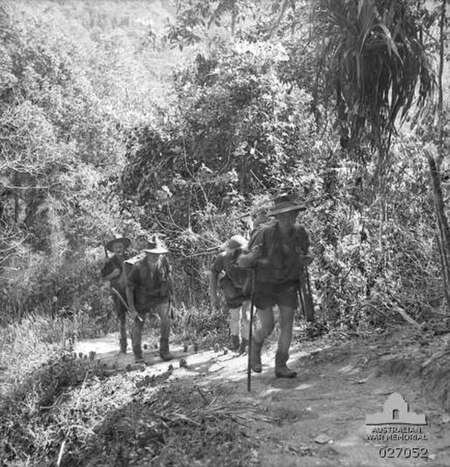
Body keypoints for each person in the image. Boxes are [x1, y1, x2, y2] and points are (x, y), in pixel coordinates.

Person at [238, 194, 314, 378]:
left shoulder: (300, 232)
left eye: (292, 215)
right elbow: (242, 261)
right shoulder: (264, 234)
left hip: (288, 282)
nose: (289, 219)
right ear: (277, 217)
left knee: (287, 322)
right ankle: (255, 349)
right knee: (268, 326)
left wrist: (308, 258)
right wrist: (252, 258)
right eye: (285, 215)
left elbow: (307, 251)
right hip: (264, 284)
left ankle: (281, 364)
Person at [126, 235, 175, 363]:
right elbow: (129, 289)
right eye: (153, 254)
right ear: (147, 254)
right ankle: (138, 354)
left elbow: (169, 277)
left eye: (158, 254)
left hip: (160, 296)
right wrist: (132, 309)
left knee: (167, 319)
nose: (156, 257)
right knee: (138, 324)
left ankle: (164, 350)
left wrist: (173, 294)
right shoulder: (138, 267)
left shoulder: (163, 261)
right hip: (143, 299)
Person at [209, 235, 251, 353]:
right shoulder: (223, 258)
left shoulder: (250, 256)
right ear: (232, 252)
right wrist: (214, 296)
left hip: (248, 289)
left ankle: (245, 345)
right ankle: (235, 342)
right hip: (232, 289)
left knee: (247, 317)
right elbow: (213, 273)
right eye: (238, 251)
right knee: (235, 317)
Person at [101, 235, 132, 354]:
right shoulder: (109, 262)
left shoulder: (130, 258)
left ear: (124, 247)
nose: (118, 248)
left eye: (120, 246)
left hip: (132, 291)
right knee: (122, 319)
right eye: (116, 247)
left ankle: (136, 343)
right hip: (118, 292)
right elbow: (103, 278)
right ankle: (123, 347)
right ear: (113, 249)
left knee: (136, 316)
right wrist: (113, 274)